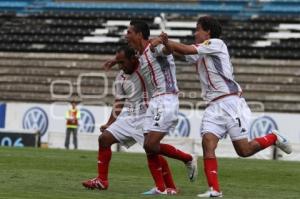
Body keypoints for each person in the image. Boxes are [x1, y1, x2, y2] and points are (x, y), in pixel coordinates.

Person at [154, 16, 292, 197]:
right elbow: (178, 52)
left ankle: (273, 137)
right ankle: (215, 190)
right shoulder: (201, 51)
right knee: (207, 142)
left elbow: (185, 49)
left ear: (208, 32)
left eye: (198, 29)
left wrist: (166, 41)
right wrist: (158, 47)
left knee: (244, 150)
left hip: (230, 102)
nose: (195, 33)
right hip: (213, 106)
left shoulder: (216, 44)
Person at [104, 20, 198, 194]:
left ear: (139, 34)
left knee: (151, 144)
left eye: (129, 32)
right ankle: (161, 188)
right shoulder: (140, 53)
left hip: (167, 99)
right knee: (149, 146)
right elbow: (128, 58)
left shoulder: (153, 49)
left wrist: (163, 42)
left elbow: (168, 51)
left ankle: (188, 158)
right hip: (155, 101)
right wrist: (114, 61)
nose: (126, 35)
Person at [82, 46, 184, 195]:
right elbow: (119, 102)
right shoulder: (120, 77)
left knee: (152, 150)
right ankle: (102, 180)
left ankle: (172, 185)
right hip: (130, 116)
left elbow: (151, 55)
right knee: (104, 139)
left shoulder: (145, 68)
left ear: (133, 59)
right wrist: (109, 123)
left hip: (147, 116)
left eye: (123, 62)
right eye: (118, 64)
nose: (121, 67)